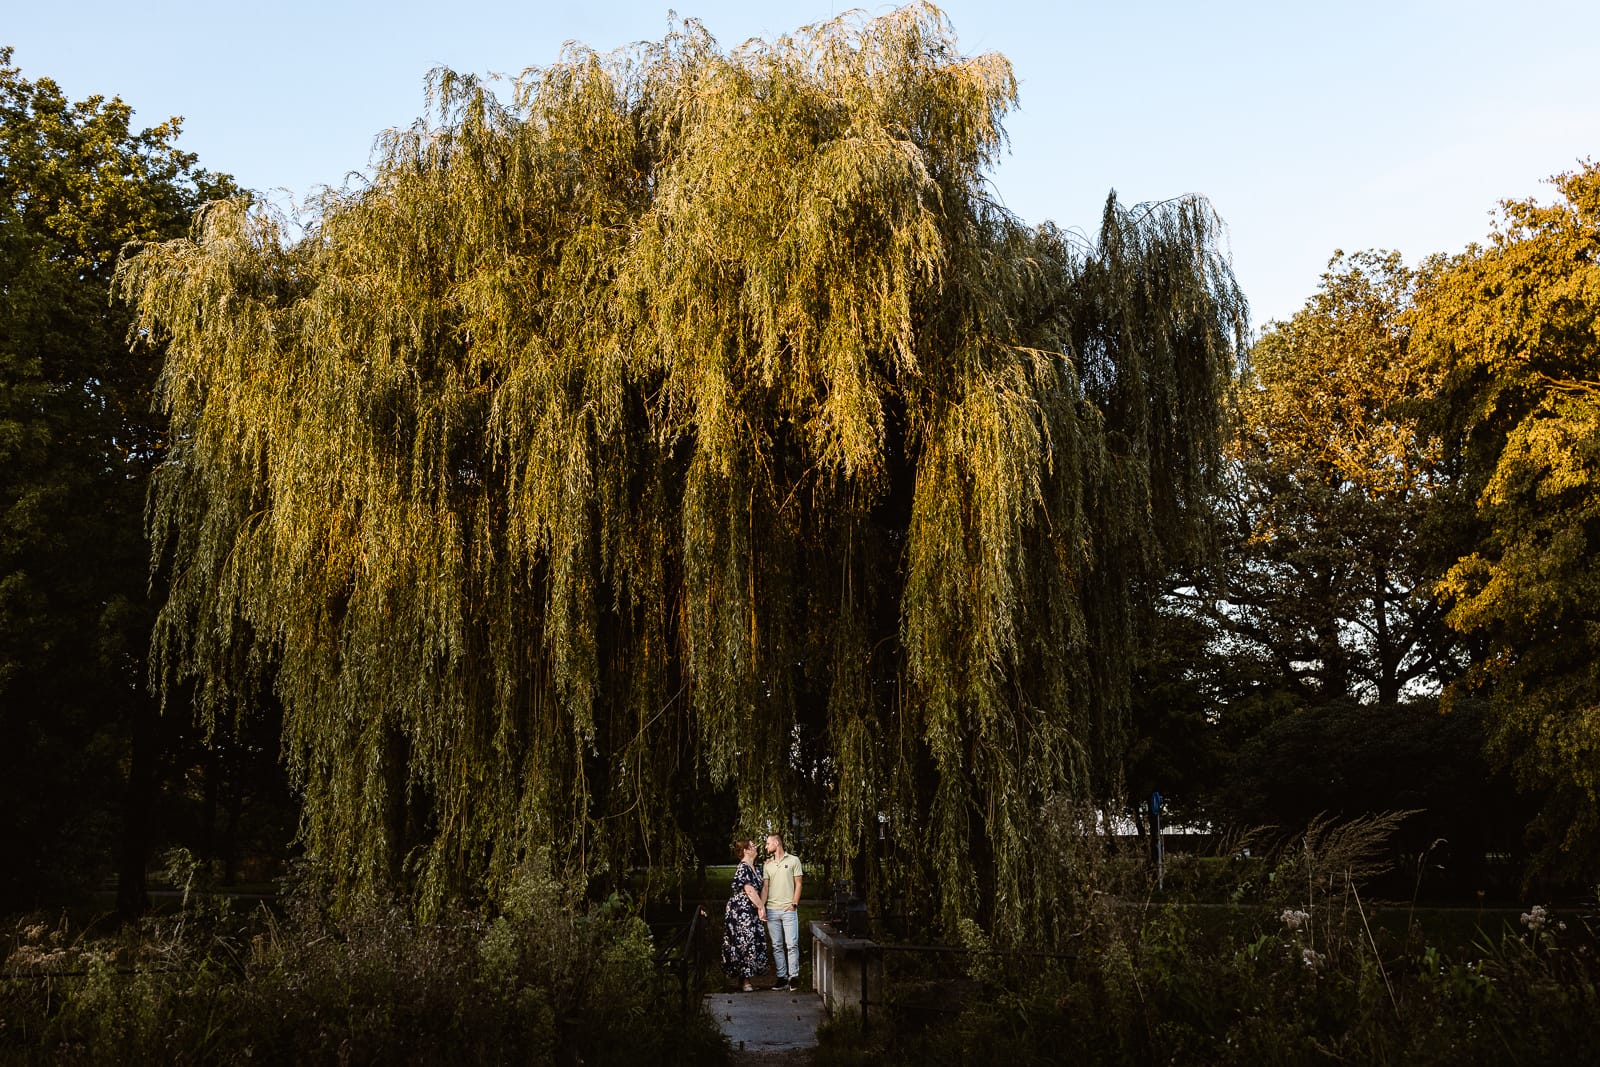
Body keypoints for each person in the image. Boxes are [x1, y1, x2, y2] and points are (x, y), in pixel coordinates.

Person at [721, 839, 769, 991]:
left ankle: (744, 980)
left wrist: (760, 906)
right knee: (744, 942)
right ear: (746, 850)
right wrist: (761, 907)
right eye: (753, 846)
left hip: (751, 909)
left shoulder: (756, 868)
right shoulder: (743, 867)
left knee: (750, 941)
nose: (756, 848)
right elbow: (749, 890)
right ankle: (745, 981)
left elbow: (763, 888)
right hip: (740, 911)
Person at [760, 832, 804, 991]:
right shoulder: (767, 864)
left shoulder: (794, 860)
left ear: (776, 843)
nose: (766, 846)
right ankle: (782, 978)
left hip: (788, 910)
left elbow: (798, 884)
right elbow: (765, 887)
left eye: (767, 843)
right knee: (777, 945)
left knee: (791, 944)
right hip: (772, 910)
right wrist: (762, 907)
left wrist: (794, 904)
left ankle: (794, 977)